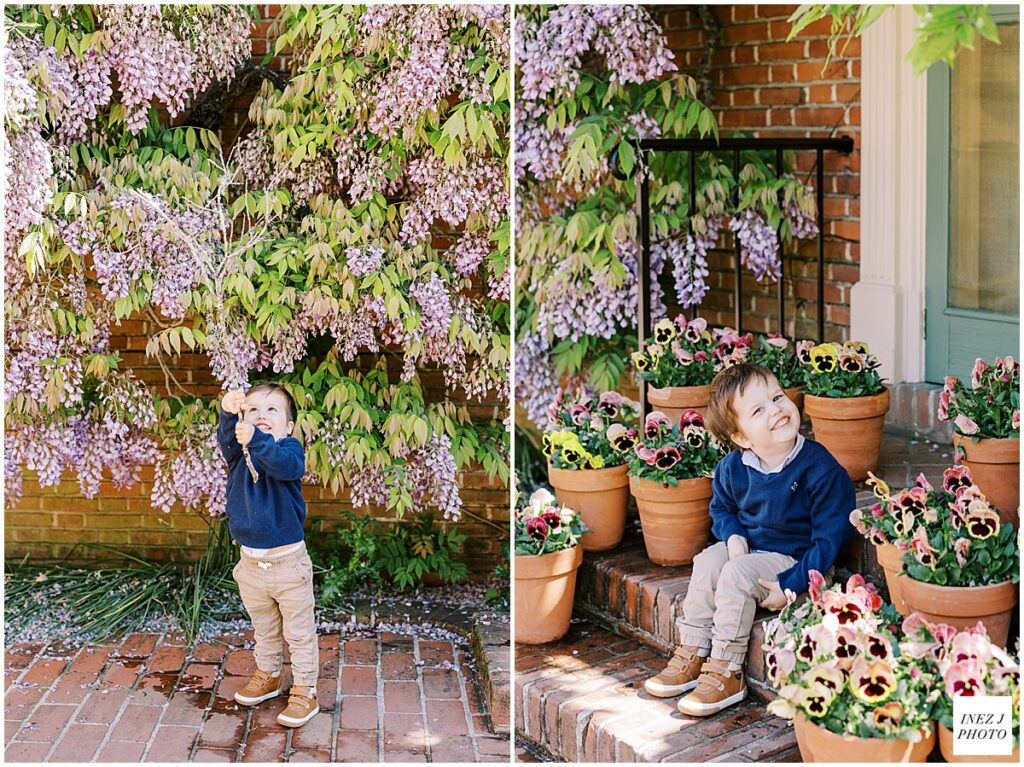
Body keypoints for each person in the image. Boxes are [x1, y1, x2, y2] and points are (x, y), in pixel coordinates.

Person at [643, 363, 855, 716]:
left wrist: (789, 585)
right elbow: (722, 509)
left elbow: (829, 541)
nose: (776, 409)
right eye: (759, 409)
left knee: (737, 574)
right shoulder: (733, 468)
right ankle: (693, 650)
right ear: (742, 437)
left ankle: (727, 669)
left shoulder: (820, 468)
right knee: (708, 561)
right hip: (754, 550)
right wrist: (734, 537)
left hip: (797, 558)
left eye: (777, 397)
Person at [218, 383, 319, 728]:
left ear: (289, 425)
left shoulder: (288, 449)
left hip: (289, 565)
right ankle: (269, 674)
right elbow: (227, 439)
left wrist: (256, 439)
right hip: (250, 566)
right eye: (254, 409)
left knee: (299, 632)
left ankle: (305, 690)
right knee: (265, 629)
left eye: (272, 410)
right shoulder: (239, 454)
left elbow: (285, 466)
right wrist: (227, 412)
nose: (262, 415)